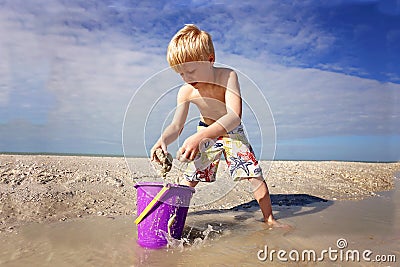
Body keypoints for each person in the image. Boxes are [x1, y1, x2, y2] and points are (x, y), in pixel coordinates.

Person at [151, 24, 279, 226]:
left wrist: (201, 137)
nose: (186, 78)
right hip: (205, 130)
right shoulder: (186, 92)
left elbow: (234, 116)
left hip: (231, 132)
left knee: (253, 174)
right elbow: (177, 125)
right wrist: (163, 139)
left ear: (210, 60)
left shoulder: (227, 76)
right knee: (190, 178)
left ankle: (270, 220)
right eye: (181, 74)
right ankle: (175, 222)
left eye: (191, 71)